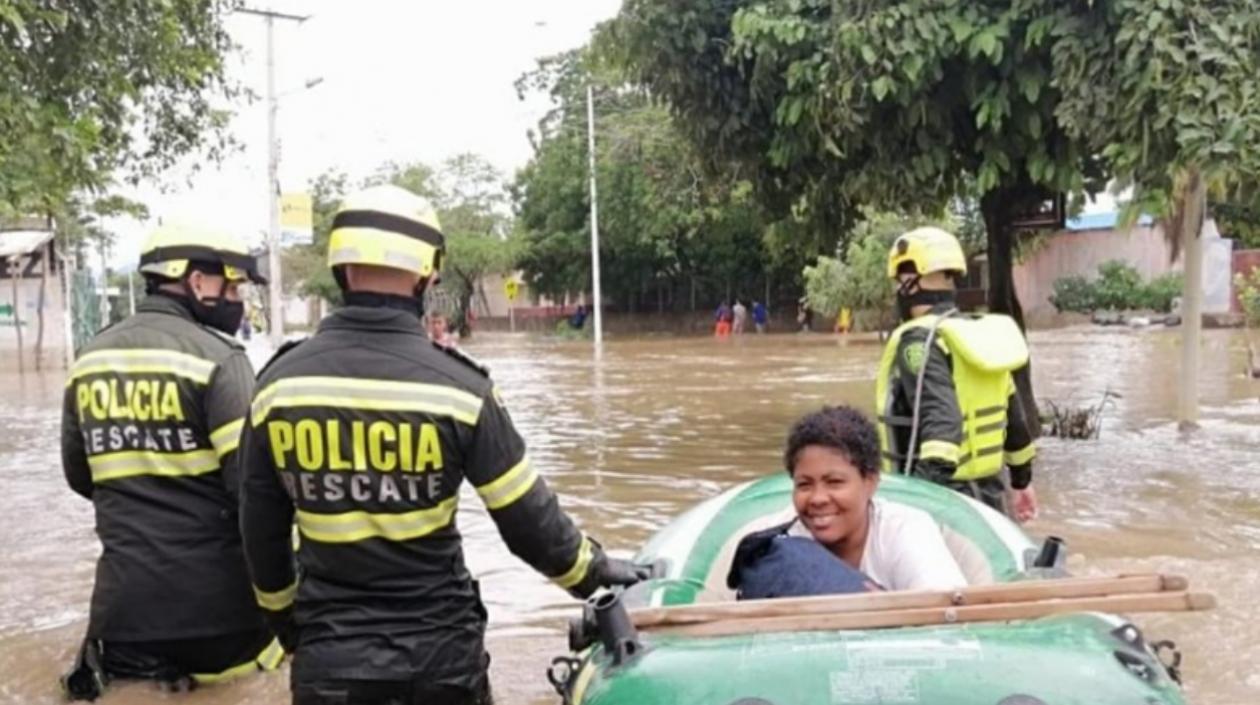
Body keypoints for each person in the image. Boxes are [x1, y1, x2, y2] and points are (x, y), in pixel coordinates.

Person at [238, 185, 648, 705]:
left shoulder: (277, 387)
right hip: (440, 662)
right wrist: (594, 571)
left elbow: (259, 534)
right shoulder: (459, 388)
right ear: (427, 273)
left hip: (330, 662)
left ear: (340, 268)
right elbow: (529, 526)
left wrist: (290, 628)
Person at [59, 224, 280, 699]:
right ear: (198, 281)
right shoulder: (220, 359)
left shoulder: (90, 358)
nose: (237, 297)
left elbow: (80, 476)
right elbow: (253, 492)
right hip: (221, 615)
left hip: (122, 617)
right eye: (233, 285)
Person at [876, 227, 1038, 522]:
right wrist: (1022, 482)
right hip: (991, 495)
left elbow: (943, 422)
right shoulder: (981, 334)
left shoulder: (920, 340)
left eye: (899, 279)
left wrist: (915, 500)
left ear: (910, 282)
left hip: (947, 501)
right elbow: (1015, 421)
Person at [729, 406, 965, 597]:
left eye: (834, 482)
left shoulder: (905, 530)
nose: (818, 499)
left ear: (870, 482)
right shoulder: (777, 545)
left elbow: (947, 613)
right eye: (804, 484)